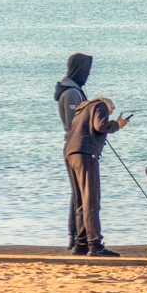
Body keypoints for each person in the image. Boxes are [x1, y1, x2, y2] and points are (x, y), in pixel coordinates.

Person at [64, 95, 130, 257]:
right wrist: (117, 125)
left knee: (80, 200)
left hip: (70, 153)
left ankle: (80, 244)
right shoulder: (99, 105)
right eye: (111, 110)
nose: (111, 112)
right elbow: (101, 126)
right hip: (85, 154)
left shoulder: (82, 111)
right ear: (106, 103)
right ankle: (94, 245)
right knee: (91, 200)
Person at [55, 52, 93, 249]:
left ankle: (77, 239)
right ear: (78, 70)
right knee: (80, 196)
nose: (88, 75)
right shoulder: (71, 92)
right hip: (76, 147)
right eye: (87, 71)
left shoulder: (75, 90)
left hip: (76, 146)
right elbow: (73, 123)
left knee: (78, 195)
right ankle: (78, 239)